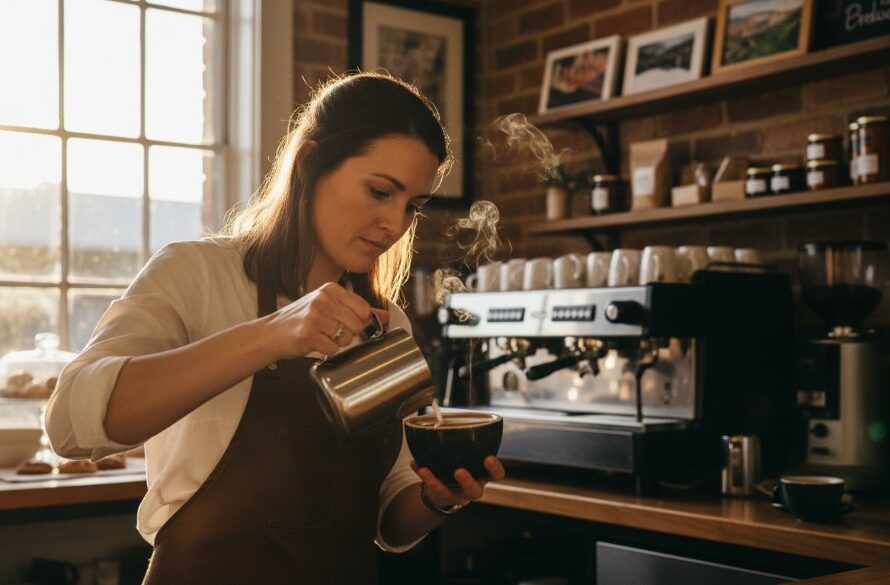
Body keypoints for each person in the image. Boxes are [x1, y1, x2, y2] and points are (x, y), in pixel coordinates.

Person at [45, 71, 506, 583]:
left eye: (411, 207)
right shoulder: (196, 274)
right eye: (379, 192)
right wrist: (272, 335)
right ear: (310, 164)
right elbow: (70, 424)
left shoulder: (384, 323)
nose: (395, 226)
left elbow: (390, 522)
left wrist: (435, 498)